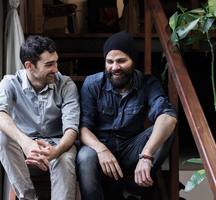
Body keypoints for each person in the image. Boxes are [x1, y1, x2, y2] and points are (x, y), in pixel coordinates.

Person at [76, 31, 177, 200]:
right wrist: (101, 149)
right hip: (99, 150)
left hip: (132, 149)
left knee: (166, 131)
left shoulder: (148, 83)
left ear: (133, 61)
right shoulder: (92, 84)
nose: (115, 67)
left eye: (121, 61)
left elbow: (168, 117)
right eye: (110, 62)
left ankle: (132, 192)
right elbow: (83, 128)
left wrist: (146, 156)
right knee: (85, 155)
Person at [0, 35, 80, 200]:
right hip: (25, 154)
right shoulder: (10, 82)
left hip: (58, 147)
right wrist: (26, 143)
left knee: (64, 160)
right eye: (49, 64)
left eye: (56, 62)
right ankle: (28, 198)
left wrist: (57, 150)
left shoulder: (66, 85)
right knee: (1, 135)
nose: (56, 69)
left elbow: (71, 128)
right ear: (29, 66)